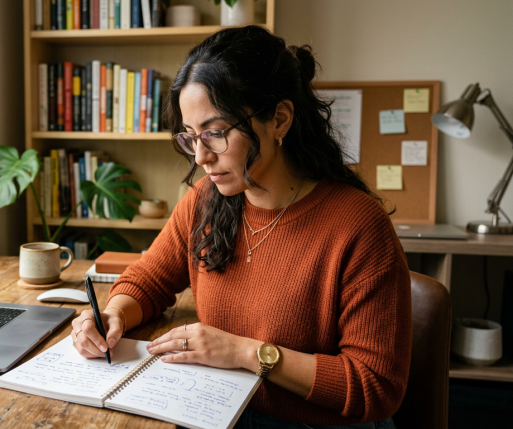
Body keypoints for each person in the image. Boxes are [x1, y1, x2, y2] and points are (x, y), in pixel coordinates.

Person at [70, 25, 411, 428]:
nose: (200, 156)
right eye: (189, 136)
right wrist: (112, 316)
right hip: (219, 410)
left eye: (215, 134)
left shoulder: (357, 226)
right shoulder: (205, 202)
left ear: (279, 119)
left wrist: (247, 353)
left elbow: (375, 387)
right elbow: (150, 278)